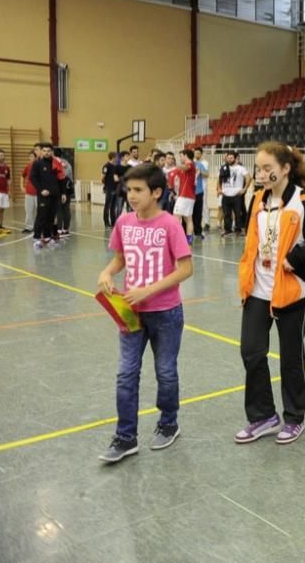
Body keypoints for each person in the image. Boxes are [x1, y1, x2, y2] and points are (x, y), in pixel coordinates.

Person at [234, 142, 305, 445]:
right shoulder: (256, 199)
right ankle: (263, 415)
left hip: (292, 293)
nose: (262, 173)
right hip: (257, 290)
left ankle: (294, 417)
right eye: (259, 168)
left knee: (291, 357)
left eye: (268, 168)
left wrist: (299, 257)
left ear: (285, 169)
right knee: (251, 352)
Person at [96, 163, 194, 463]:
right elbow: (120, 259)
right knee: (126, 375)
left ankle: (168, 423)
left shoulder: (169, 225)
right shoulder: (124, 223)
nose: (131, 196)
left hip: (166, 313)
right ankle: (126, 437)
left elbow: (186, 269)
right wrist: (107, 273)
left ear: (157, 192)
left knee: (165, 372)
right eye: (129, 190)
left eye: (138, 190)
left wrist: (147, 291)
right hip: (130, 314)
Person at [30, 144, 62, 248]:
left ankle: (47, 237)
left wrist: (62, 193)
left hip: (55, 195)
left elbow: (61, 178)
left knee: (51, 217)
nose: (46, 152)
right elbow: (33, 178)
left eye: (49, 151)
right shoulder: (37, 163)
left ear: (51, 151)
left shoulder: (56, 163)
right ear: (41, 152)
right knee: (41, 216)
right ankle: (37, 238)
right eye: (44, 151)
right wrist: (41, 190)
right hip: (43, 195)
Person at [218, 151, 250, 236]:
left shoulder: (241, 168)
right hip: (226, 195)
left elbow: (248, 178)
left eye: (231, 158)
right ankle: (228, 230)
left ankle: (238, 229)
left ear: (235, 159)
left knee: (237, 213)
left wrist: (244, 189)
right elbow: (219, 179)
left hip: (236, 195)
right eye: (228, 157)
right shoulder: (223, 167)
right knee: (226, 214)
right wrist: (219, 189)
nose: (229, 159)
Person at [172, 149, 197, 244]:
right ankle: (189, 238)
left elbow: (185, 168)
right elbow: (175, 173)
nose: (180, 158)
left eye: (181, 156)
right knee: (188, 218)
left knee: (176, 216)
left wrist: (175, 163)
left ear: (185, 155)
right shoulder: (182, 168)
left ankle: (177, 238)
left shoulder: (190, 164)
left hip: (185, 196)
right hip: (187, 196)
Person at [192, 147, 209, 240]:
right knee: (189, 214)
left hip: (199, 191)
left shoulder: (200, 164)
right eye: (195, 153)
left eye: (198, 153)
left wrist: (199, 171)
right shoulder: (186, 165)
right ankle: (187, 233)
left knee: (198, 213)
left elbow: (207, 174)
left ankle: (198, 231)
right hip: (188, 192)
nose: (196, 155)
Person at [20, 149, 38, 233]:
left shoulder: (39, 165)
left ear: (36, 157)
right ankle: (28, 227)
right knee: (29, 210)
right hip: (29, 192)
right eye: (29, 156)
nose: (30, 158)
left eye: (32, 156)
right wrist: (22, 186)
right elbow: (22, 176)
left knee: (40, 211)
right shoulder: (28, 166)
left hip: (39, 192)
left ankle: (39, 226)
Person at [102, 152, 121, 229]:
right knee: (108, 205)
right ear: (113, 157)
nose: (117, 159)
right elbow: (103, 177)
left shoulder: (116, 166)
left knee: (113, 206)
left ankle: (114, 222)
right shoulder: (106, 166)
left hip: (116, 188)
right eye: (116, 157)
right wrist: (106, 185)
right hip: (109, 188)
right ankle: (106, 222)